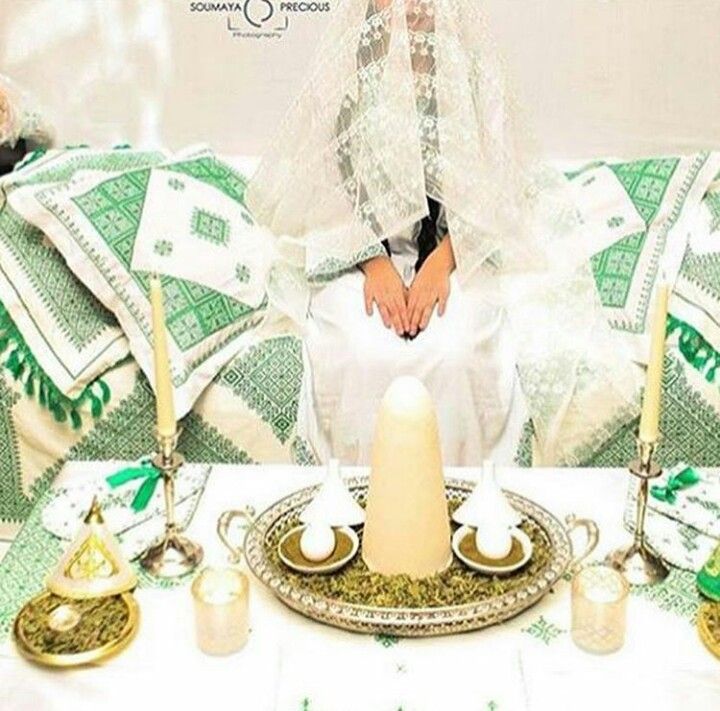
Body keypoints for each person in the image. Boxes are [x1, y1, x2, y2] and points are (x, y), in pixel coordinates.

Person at [248, 0, 639, 466]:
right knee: (360, 351)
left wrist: (443, 261)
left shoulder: (472, 79)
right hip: (359, 263)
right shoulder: (343, 80)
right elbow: (323, 192)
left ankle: (461, 501)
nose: (411, 7)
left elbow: (500, 187)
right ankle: (359, 503)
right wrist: (374, 264)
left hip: (459, 257)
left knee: (458, 351)